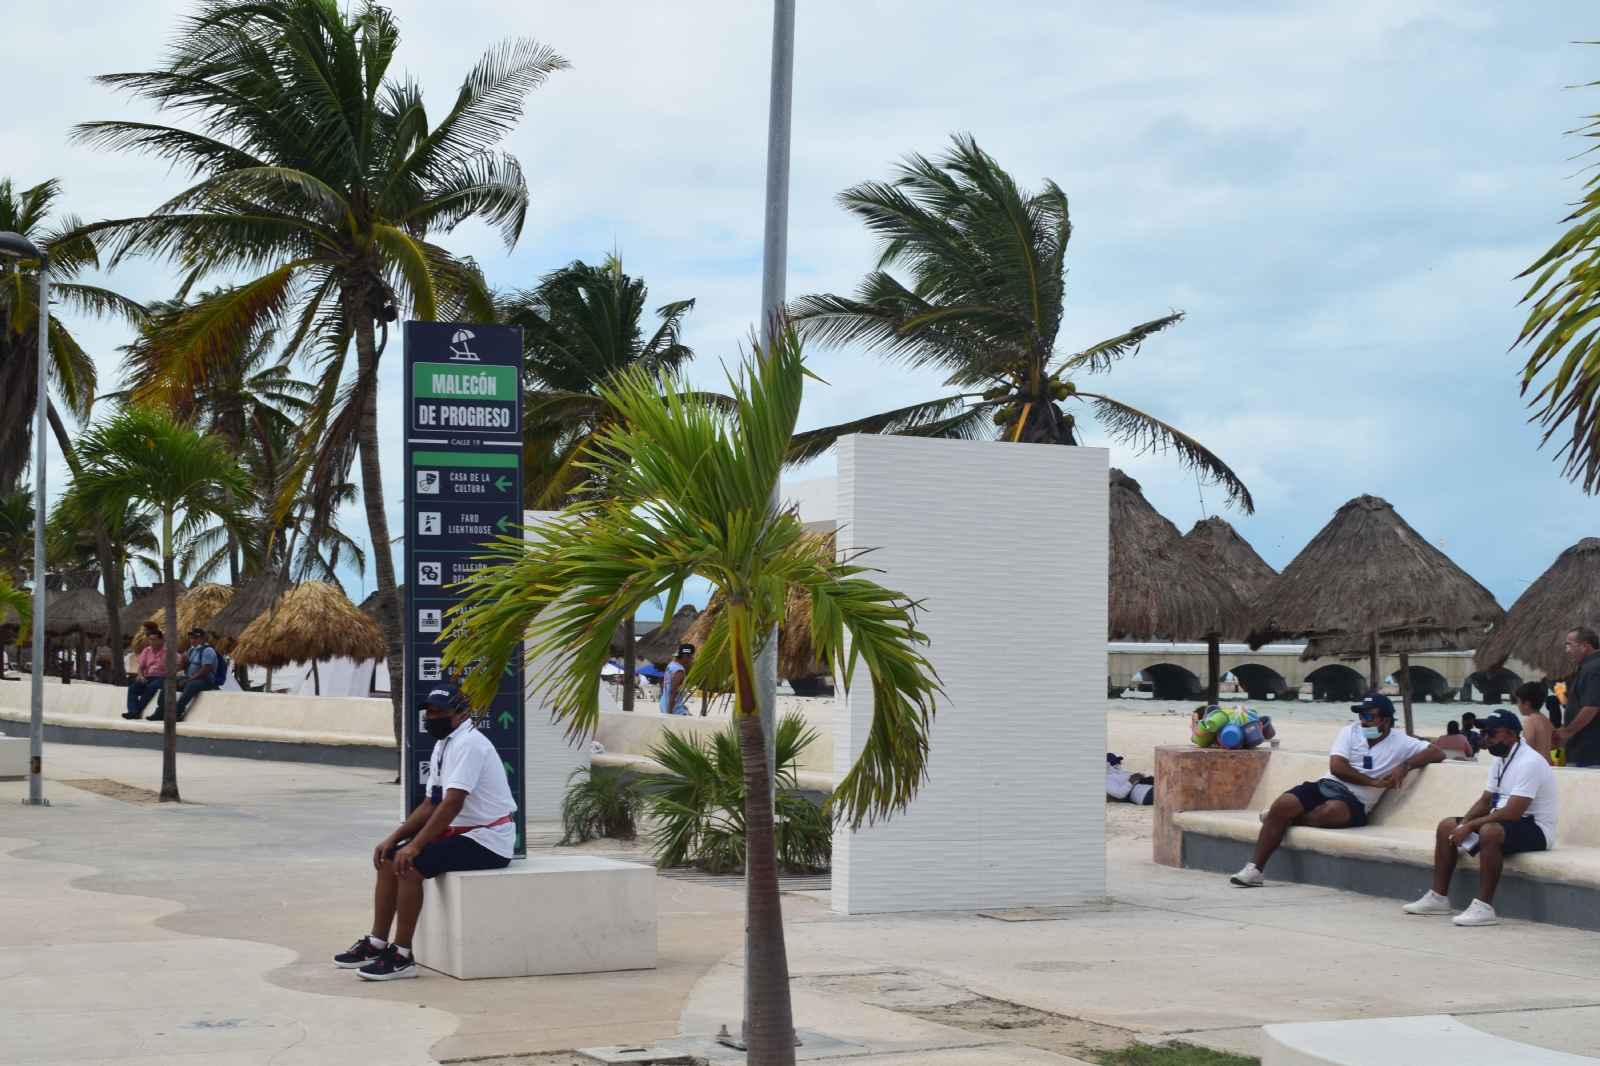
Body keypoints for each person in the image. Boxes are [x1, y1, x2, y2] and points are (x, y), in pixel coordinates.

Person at [334, 681, 516, 980]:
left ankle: (403, 956)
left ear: (462, 712)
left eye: (440, 711)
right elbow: (432, 803)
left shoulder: (468, 743)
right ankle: (377, 943)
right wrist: (393, 839)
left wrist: (415, 845)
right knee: (390, 857)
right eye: (429, 712)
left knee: (411, 864)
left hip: (489, 839)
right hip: (463, 833)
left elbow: (453, 804)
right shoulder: (445, 743)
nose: (432, 717)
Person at [1231, 694, 1445, 888]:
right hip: (1326, 785)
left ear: (1386, 720)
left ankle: (1287, 820)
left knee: (1330, 811)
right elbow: (1337, 767)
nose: (1363, 721)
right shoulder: (1350, 732)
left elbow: (1437, 752)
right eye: (1361, 715)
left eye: (1369, 717)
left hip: (1356, 802)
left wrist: (1404, 766)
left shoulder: (1401, 742)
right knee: (1282, 804)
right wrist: (1371, 783)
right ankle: (1255, 870)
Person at [1402, 708, 1558, 926]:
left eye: (1492, 733)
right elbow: (1486, 802)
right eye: (1484, 732)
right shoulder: (1500, 760)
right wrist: (1464, 823)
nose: (1486, 738)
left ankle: (1483, 906)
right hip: (1506, 822)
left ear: (1511, 735)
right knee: (1447, 826)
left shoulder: (1528, 762)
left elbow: (1513, 813)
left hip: (1537, 829)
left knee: (1489, 831)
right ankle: (1438, 898)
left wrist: (1471, 825)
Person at [150, 628, 219, 722]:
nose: (193, 640)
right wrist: (175, 671)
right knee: (168, 682)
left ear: (202, 638)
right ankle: (160, 711)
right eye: (191, 638)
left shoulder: (208, 651)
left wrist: (188, 680)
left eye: (196, 638)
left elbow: (205, 670)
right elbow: (186, 664)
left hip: (205, 680)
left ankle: (177, 712)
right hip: (191, 678)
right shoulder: (192, 650)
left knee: (191, 685)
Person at [1554, 627, 1600, 768]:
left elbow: (1592, 705)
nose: (1567, 651)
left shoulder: (1592, 669)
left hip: (1587, 752)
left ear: (1584, 645)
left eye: (1570, 645)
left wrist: (1568, 731)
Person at [122, 625, 167, 720]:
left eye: (154, 640)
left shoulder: (168, 650)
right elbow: (141, 668)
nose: (152, 642)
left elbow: (180, 662)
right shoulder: (147, 651)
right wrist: (141, 677)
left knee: (151, 687)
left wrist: (171, 674)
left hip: (161, 677)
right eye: (150, 640)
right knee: (133, 688)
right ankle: (133, 711)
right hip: (149, 676)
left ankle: (135, 711)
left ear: (161, 640)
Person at [1514, 682, 1556, 763]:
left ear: (1526, 704)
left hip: (1537, 764)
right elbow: (1557, 743)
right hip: (1549, 763)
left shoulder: (1529, 720)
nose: (1517, 705)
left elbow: (1527, 745)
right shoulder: (1545, 719)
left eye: (1518, 702)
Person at [660, 642, 694, 716]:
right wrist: (669, 714)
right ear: (685, 656)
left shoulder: (671, 665)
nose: (692, 659)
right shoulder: (679, 671)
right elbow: (673, 692)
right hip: (673, 709)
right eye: (691, 656)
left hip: (664, 703)